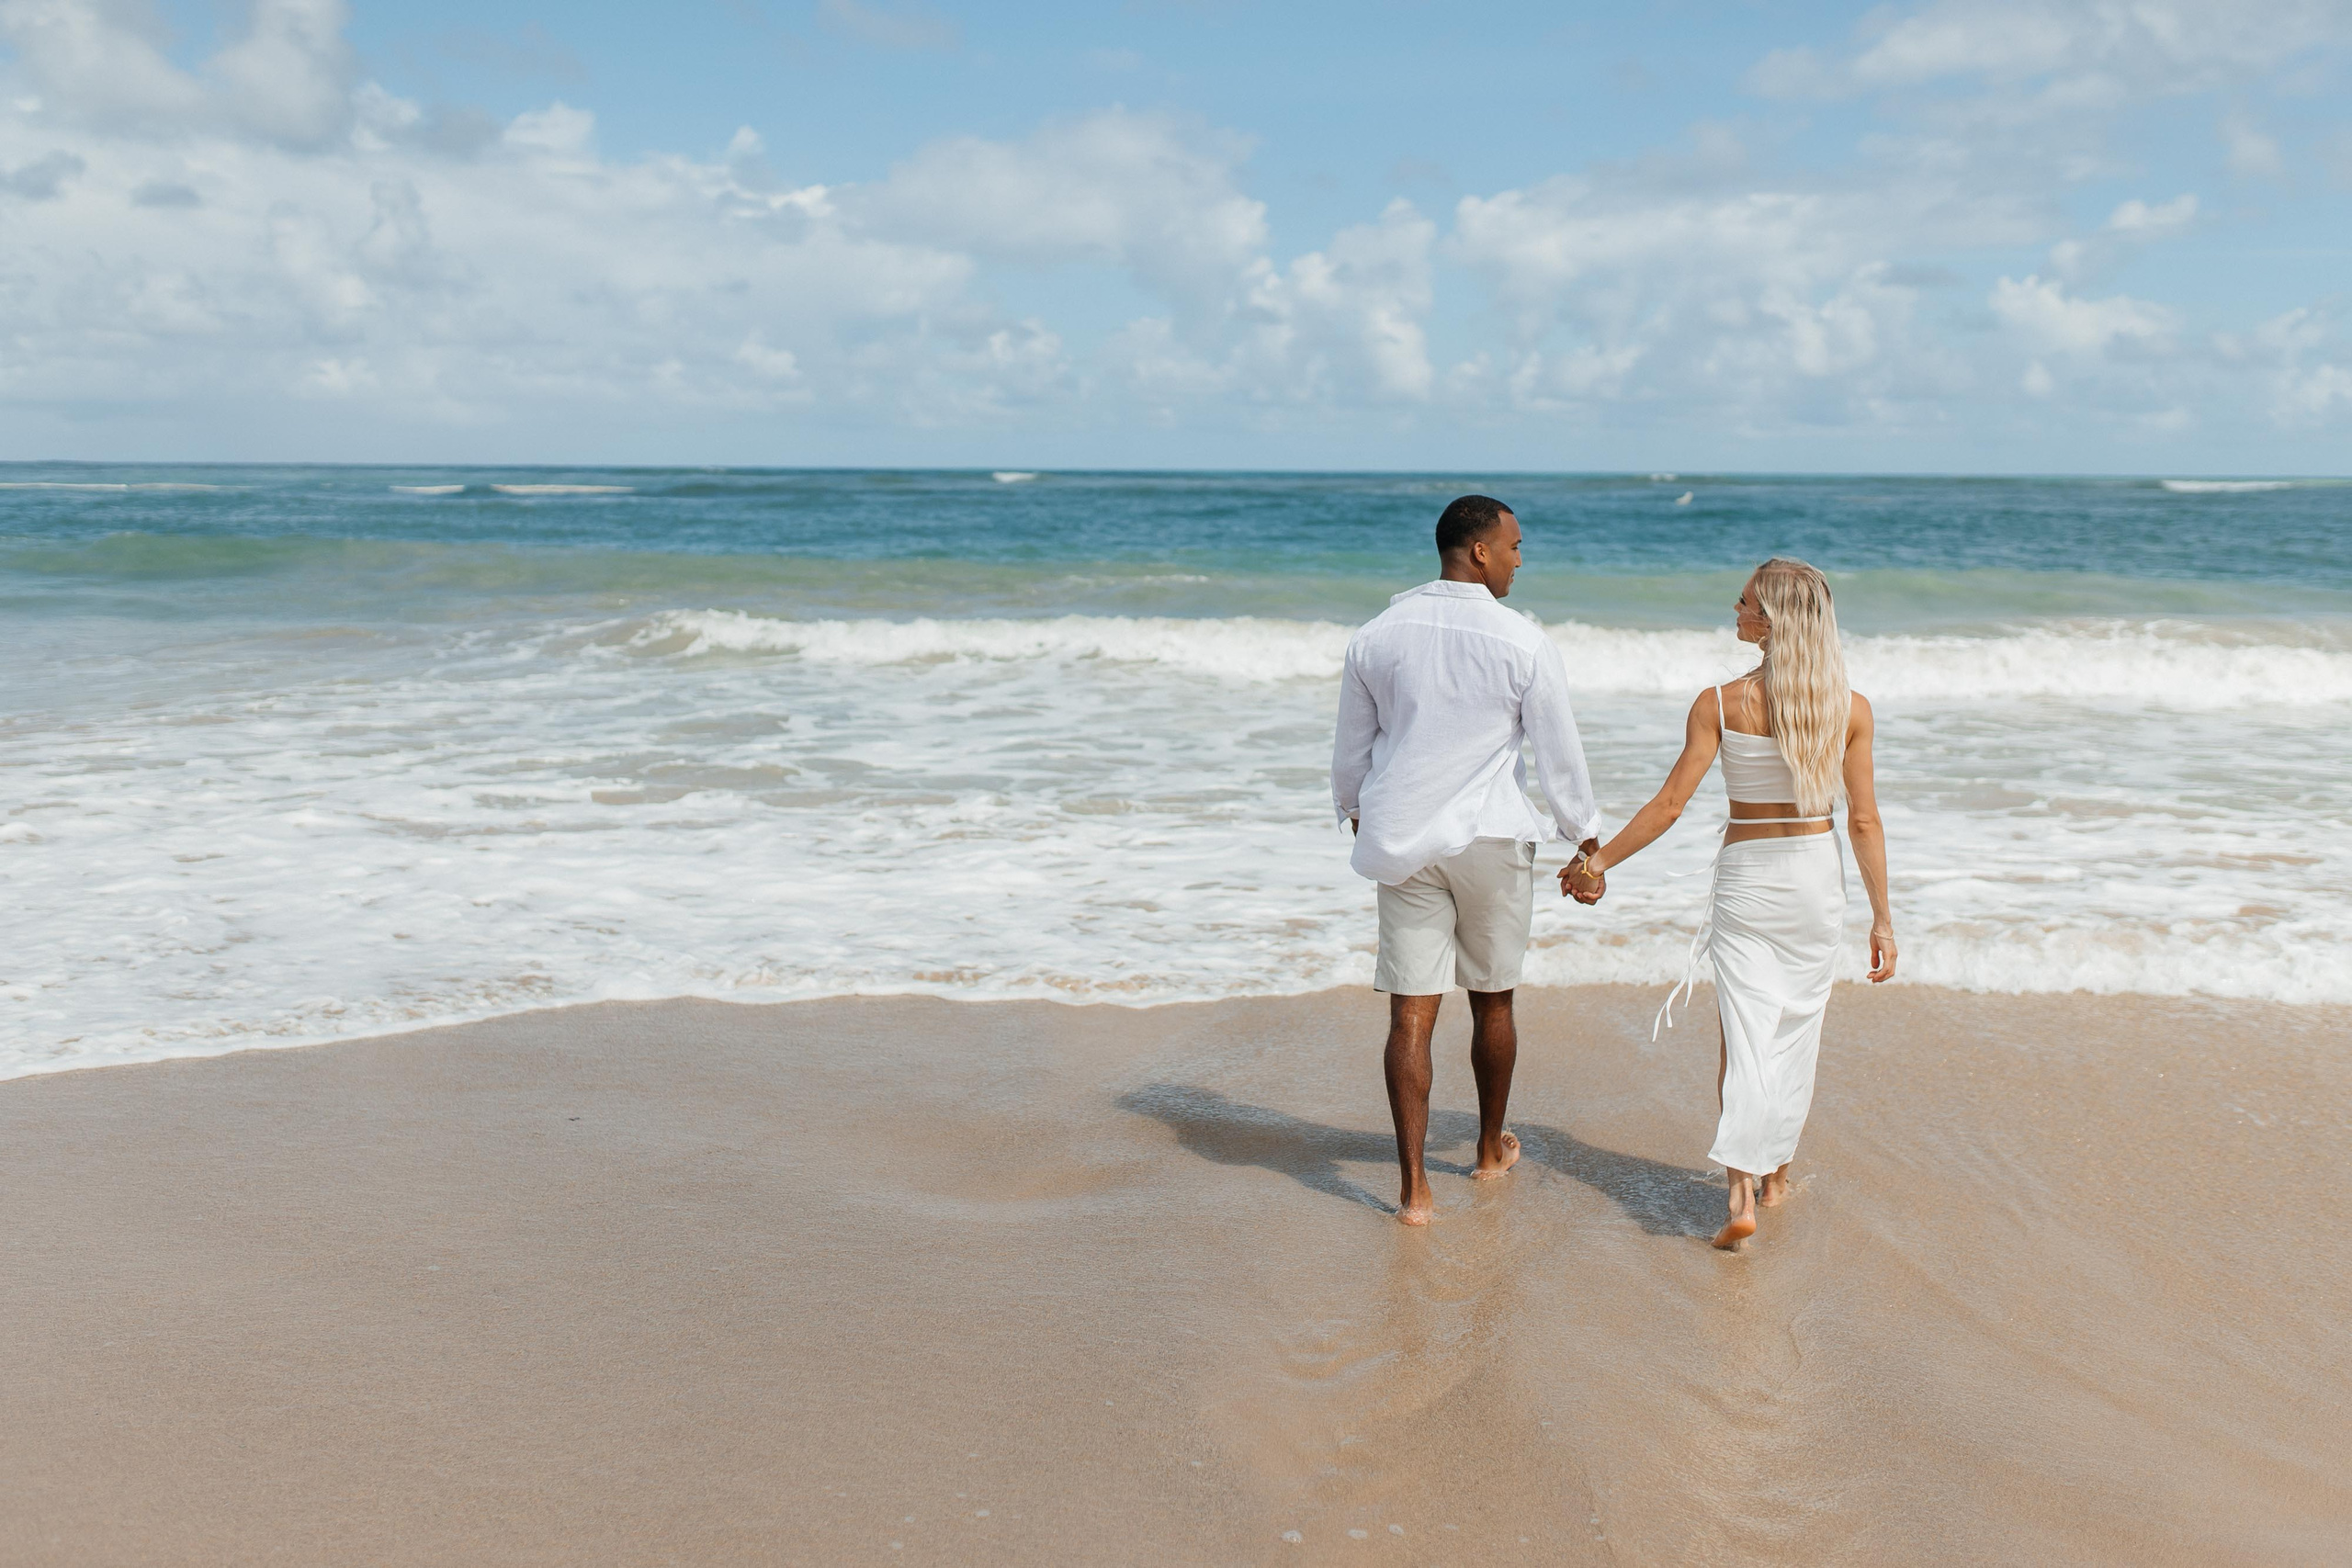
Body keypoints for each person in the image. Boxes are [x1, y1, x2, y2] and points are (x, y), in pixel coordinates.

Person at [1561, 558, 1894, 1250]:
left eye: (1743, 602)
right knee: (1795, 1030)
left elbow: (1670, 805)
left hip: (1748, 877)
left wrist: (1598, 861)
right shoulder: (1850, 707)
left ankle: (1740, 1189)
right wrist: (1882, 916)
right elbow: (1864, 820)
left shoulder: (1718, 702)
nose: (1734, 610)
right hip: (1814, 878)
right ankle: (1775, 1179)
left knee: (1743, 1031)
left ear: (1770, 619)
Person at [1331, 495, 1604, 1226]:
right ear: (1478, 552)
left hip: (1404, 840)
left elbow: (1351, 754)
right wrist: (1585, 839)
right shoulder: (1522, 640)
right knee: (1494, 999)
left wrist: (1362, 817)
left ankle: (1415, 1191)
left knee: (1411, 1016)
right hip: (1489, 836)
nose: (1521, 558)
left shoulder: (1378, 634)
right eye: (1515, 545)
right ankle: (1488, 1149)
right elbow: (1557, 750)